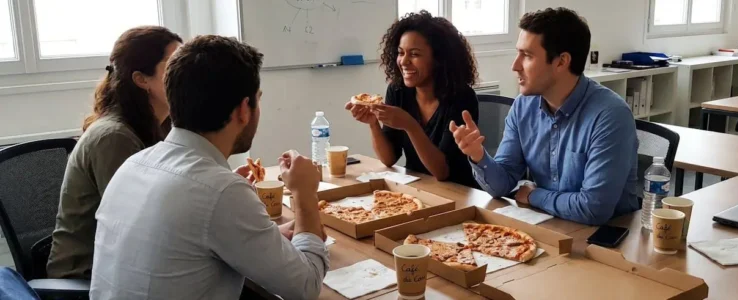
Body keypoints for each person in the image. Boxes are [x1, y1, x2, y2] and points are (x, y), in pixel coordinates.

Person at [89, 35, 328, 299]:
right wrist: (305, 196)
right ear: (244, 109)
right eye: (258, 99)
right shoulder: (220, 191)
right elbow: (306, 287)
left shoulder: (134, 165)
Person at [450, 8, 640, 225]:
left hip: (605, 241)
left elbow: (594, 208)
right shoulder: (524, 106)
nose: (515, 65)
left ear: (561, 62)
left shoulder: (610, 116)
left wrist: (532, 195)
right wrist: (478, 155)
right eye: (518, 53)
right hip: (550, 225)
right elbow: (502, 185)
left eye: (527, 56)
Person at [47, 26, 183, 279]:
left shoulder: (161, 125)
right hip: (88, 275)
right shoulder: (114, 138)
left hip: (125, 262)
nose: (186, 74)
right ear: (142, 79)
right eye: (174, 64)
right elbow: (136, 226)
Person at [346, 10, 480, 188]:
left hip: (457, 192)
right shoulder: (398, 90)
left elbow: (442, 172)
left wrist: (410, 125)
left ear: (438, 59)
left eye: (415, 54)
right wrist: (373, 124)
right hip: (417, 187)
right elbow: (389, 159)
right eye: (401, 53)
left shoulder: (461, 97)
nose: (404, 61)